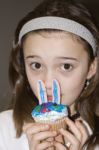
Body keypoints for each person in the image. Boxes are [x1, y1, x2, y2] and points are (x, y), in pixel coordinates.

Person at [0, 0, 99, 149]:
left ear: (91, 68)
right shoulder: (4, 129)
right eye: (37, 65)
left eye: (66, 66)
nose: (48, 82)